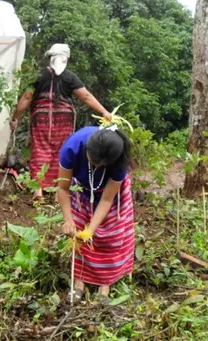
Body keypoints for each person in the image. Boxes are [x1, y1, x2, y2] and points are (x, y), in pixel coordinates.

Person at [10, 44, 112, 201]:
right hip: (64, 121)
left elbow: (26, 98)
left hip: (41, 120)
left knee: (40, 151)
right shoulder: (69, 77)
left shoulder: (38, 75)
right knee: (62, 152)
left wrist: (15, 117)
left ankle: (38, 192)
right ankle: (59, 193)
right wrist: (104, 111)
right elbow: (85, 96)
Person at [56, 125, 135, 305]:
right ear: (86, 151)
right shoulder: (72, 148)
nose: (97, 166)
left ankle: (104, 284)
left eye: (102, 165)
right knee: (78, 230)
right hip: (82, 190)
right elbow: (62, 188)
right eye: (93, 162)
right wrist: (68, 220)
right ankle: (79, 282)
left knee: (109, 236)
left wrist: (91, 230)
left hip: (110, 195)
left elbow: (107, 200)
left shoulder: (120, 162)